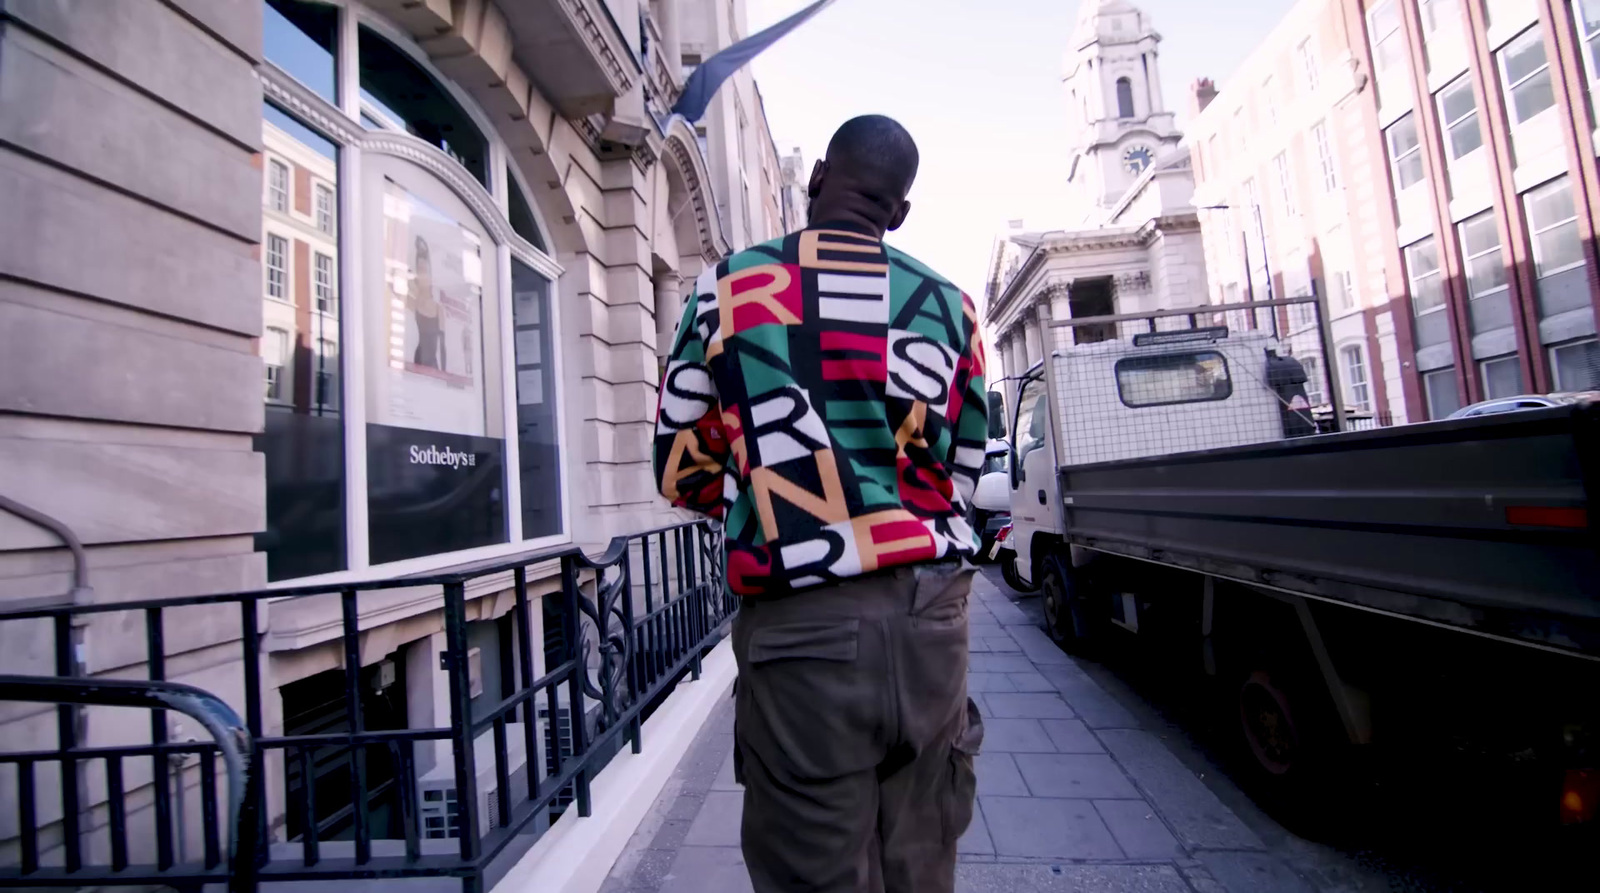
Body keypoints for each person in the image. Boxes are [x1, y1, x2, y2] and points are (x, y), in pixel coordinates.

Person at [653, 115, 989, 893]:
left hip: (802, 631)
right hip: (932, 620)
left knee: (814, 869)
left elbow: (680, 469)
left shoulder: (728, 290)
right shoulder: (948, 305)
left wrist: (770, 488)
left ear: (815, 180)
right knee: (922, 853)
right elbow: (969, 472)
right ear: (898, 212)